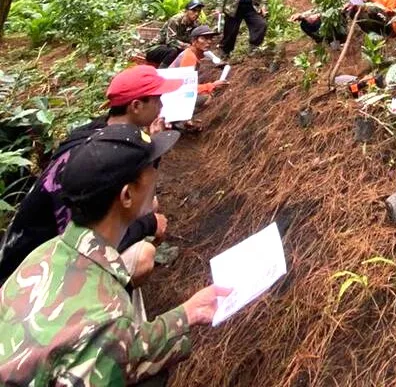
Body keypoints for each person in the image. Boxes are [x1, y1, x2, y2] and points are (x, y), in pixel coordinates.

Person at [0, 123, 231, 385]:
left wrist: (187, 314)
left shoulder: (44, 254)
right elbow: (108, 338)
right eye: (152, 166)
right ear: (127, 195)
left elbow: (116, 342)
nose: (157, 173)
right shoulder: (107, 315)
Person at [0, 65, 182, 285]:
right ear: (136, 106)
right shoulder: (91, 159)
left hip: (59, 236)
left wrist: (151, 142)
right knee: (144, 255)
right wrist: (148, 225)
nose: (162, 105)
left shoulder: (101, 133)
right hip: (37, 267)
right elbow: (79, 238)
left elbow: (137, 179)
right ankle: (107, 306)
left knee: (149, 204)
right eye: (157, 99)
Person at [169, 25, 229, 100]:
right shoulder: (189, 57)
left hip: (174, 90)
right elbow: (185, 88)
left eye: (210, 38)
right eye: (203, 38)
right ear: (194, 41)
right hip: (172, 95)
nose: (209, 42)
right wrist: (212, 86)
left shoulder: (195, 54)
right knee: (206, 98)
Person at [145, 0, 205, 68]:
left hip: (174, 49)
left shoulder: (195, 25)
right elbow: (170, 41)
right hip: (156, 49)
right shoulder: (175, 20)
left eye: (198, 11)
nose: (196, 14)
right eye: (194, 10)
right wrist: (188, 46)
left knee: (190, 52)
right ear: (186, 11)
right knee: (173, 51)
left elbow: (194, 41)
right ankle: (162, 73)